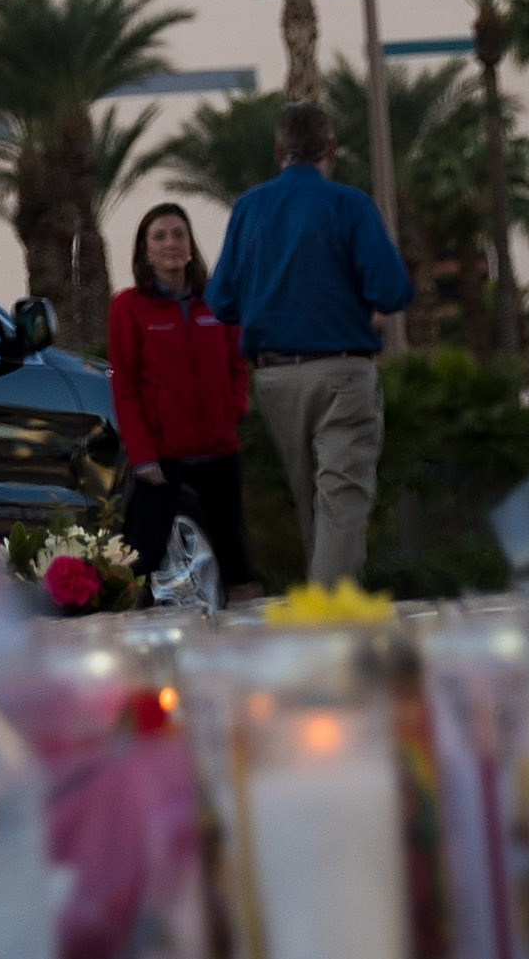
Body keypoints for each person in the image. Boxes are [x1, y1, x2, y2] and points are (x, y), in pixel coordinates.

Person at [205, 99, 408, 591]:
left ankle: (331, 607)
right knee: (341, 499)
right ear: (330, 149)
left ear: (280, 151)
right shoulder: (348, 205)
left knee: (312, 501)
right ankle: (327, 619)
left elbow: (220, 299)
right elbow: (392, 289)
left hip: (275, 377)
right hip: (342, 370)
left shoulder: (249, 209)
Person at [103, 200, 254, 601]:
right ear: (144, 250)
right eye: (160, 236)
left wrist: (235, 408)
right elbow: (126, 387)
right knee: (139, 560)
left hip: (218, 451)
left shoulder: (219, 302)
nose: (171, 243)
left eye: (179, 233)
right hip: (163, 459)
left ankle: (250, 645)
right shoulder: (128, 308)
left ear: (191, 244)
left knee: (236, 560)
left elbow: (238, 365)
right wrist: (143, 456)